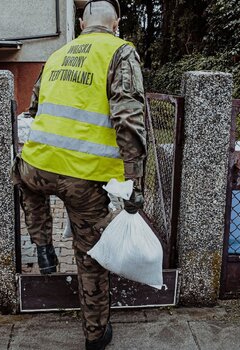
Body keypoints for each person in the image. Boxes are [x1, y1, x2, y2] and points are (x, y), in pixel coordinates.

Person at [12, 0, 146, 348]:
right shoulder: (120, 52)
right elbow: (128, 117)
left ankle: (43, 247)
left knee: (24, 181)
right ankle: (96, 334)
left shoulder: (56, 56)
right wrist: (134, 181)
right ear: (116, 23)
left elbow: (35, 108)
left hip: (36, 165)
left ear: (82, 22)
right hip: (81, 180)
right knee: (90, 255)